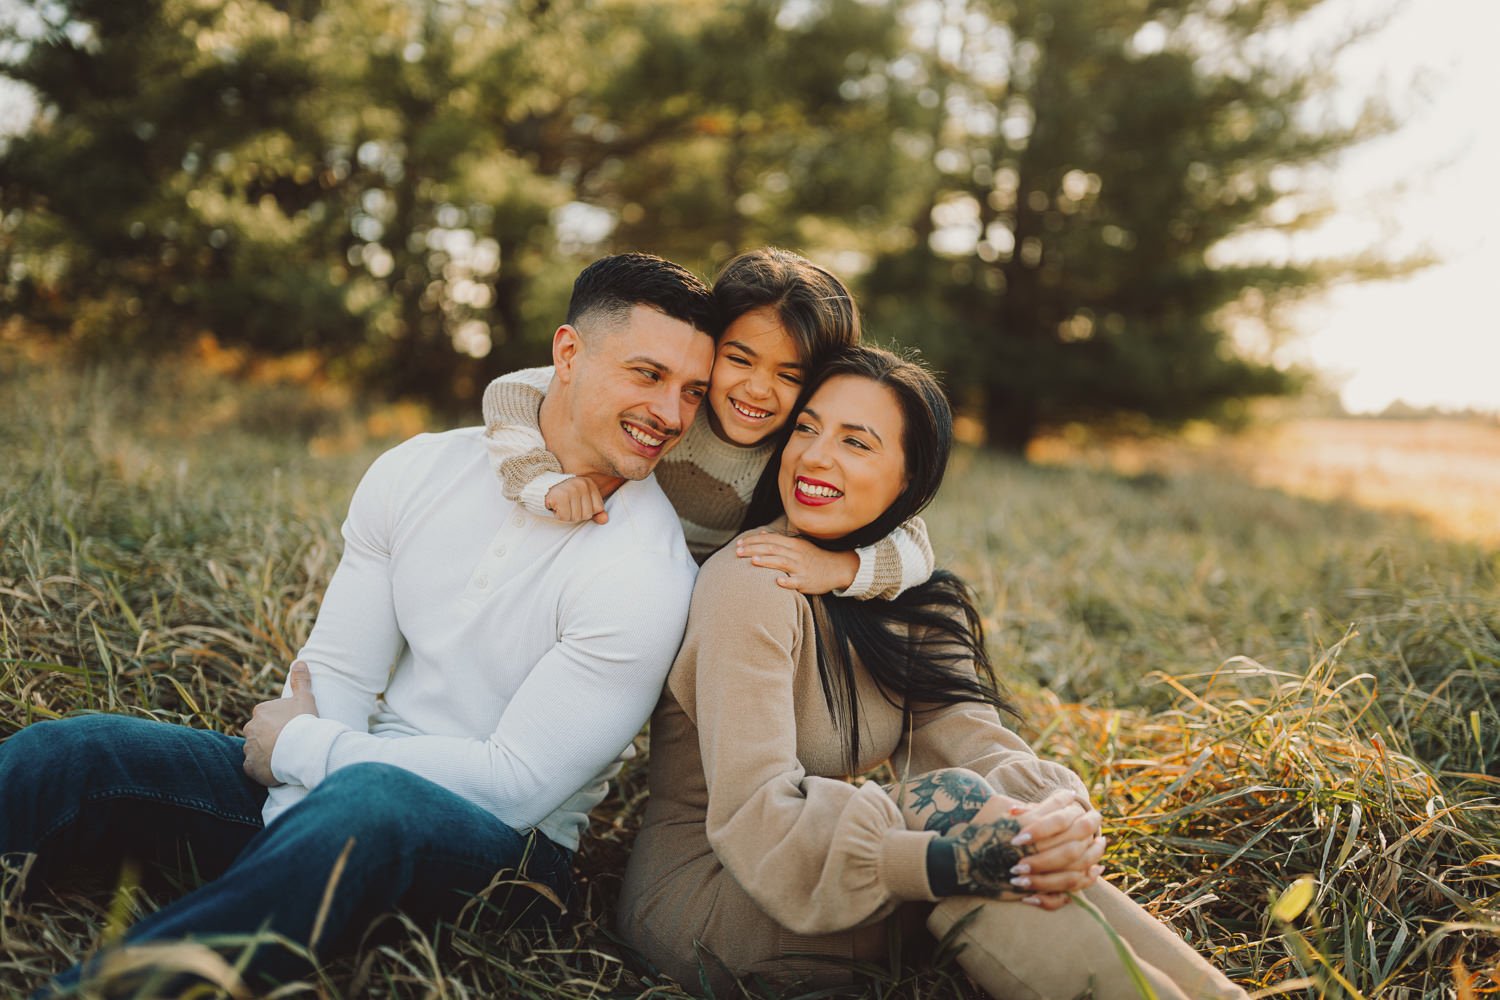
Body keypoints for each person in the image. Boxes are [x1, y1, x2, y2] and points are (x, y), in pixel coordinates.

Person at [0, 253, 715, 996]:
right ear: (568, 353)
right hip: (333, 774)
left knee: (365, 806)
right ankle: (280, 876)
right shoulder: (421, 470)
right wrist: (294, 809)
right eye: (647, 374)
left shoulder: (646, 573)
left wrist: (305, 750)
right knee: (76, 751)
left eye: (693, 391)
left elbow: (515, 789)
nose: (671, 414)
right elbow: (335, 673)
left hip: (505, 859)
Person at [618, 346, 1249, 999]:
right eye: (806, 428)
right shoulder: (751, 584)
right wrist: (951, 862)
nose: (813, 456)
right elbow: (756, 817)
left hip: (830, 871)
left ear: (909, 480)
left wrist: (1060, 815)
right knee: (969, 823)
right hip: (716, 895)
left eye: (856, 443)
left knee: (991, 827)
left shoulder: (908, 598)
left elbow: (974, 740)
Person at [481, 247, 935, 600]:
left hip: (705, 601)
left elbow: (915, 546)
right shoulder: (674, 407)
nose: (758, 389)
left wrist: (840, 570)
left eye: (789, 376)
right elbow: (512, 390)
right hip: (611, 571)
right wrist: (536, 478)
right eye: (739, 359)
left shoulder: (796, 454)